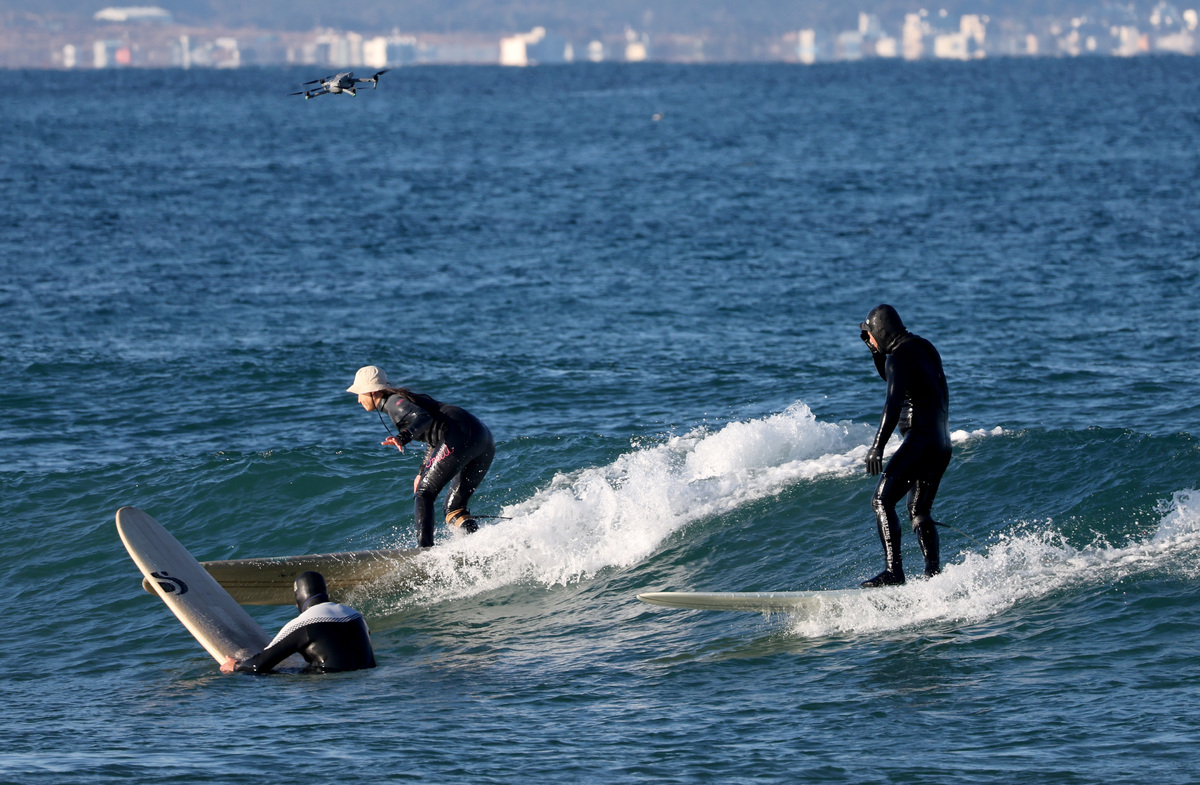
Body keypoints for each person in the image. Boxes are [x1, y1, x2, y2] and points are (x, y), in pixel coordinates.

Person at [347, 365, 495, 548]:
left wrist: (403, 437)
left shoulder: (394, 403)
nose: (358, 400)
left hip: (460, 434)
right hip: (484, 438)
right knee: (454, 509)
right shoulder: (402, 401)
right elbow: (433, 438)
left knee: (424, 494)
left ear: (371, 391)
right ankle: (479, 545)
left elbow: (424, 418)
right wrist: (422, 471)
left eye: (359, 394)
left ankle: (424, 551)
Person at [858, 304, 951, 587]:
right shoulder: (924, 347)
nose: (869, 340)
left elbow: (893, 402)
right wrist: (876, 352)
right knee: (919, 511)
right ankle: (933, 576)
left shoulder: (897, 357)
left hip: (920, 439)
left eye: (871, 335)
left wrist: (877, 446)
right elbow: (896, 379)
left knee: (881, 501)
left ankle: (893, 572)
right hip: (941, 442)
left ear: (881, 331)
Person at [221, 571, 376, 673]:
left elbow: (259, 665)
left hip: (331, 685)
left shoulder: (303, 623)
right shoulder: (356, 616)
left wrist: (236, 666)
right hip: (366, 677)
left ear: (298, 599)